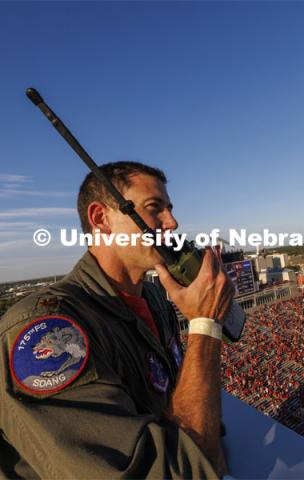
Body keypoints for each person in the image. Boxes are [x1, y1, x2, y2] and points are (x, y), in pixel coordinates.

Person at [0, 161, 235, 478]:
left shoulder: (156, 300)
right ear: (101, 219)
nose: (173, 222)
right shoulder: (48, 326)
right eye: (155, 208)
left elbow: (175, 402)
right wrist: (205, 324)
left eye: (170, 209)